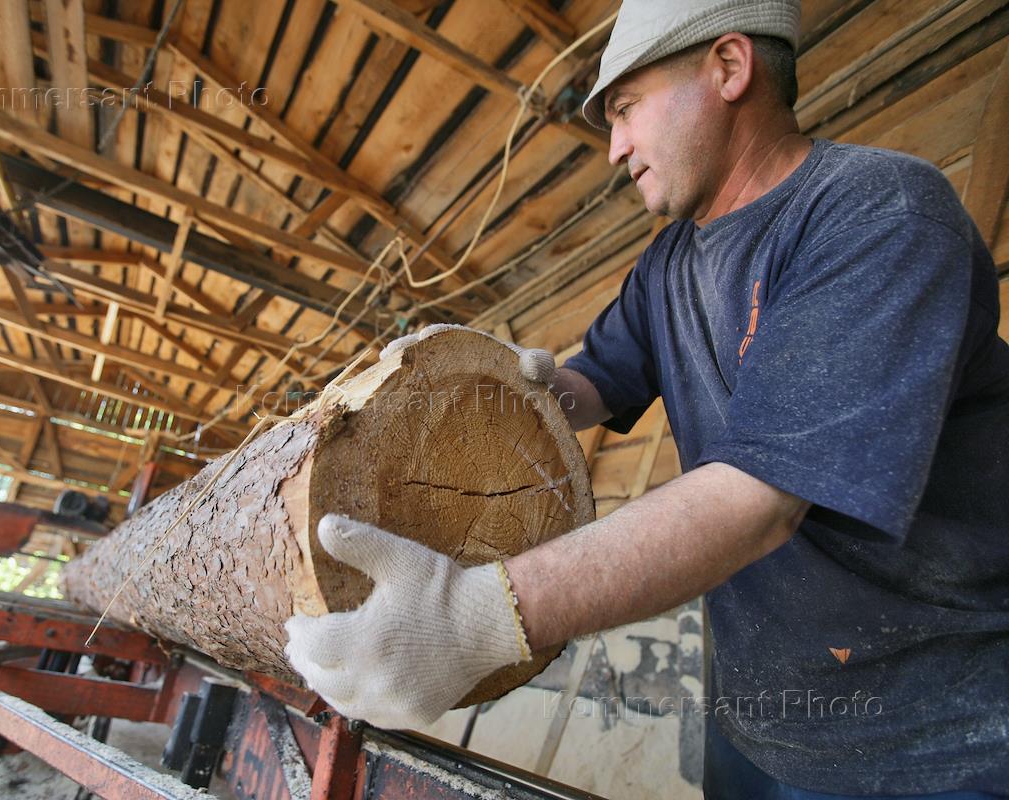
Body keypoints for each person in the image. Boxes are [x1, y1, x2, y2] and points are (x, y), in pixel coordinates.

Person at [284, 1, 1009, 796]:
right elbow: (587, 386)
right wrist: (483, 385)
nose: (614, 149)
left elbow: (758, 500)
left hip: (931, 734)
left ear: (728, 68)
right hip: (756, 717)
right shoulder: (668, 267)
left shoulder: (874, 212)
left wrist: (477, 617)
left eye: (626, 108)